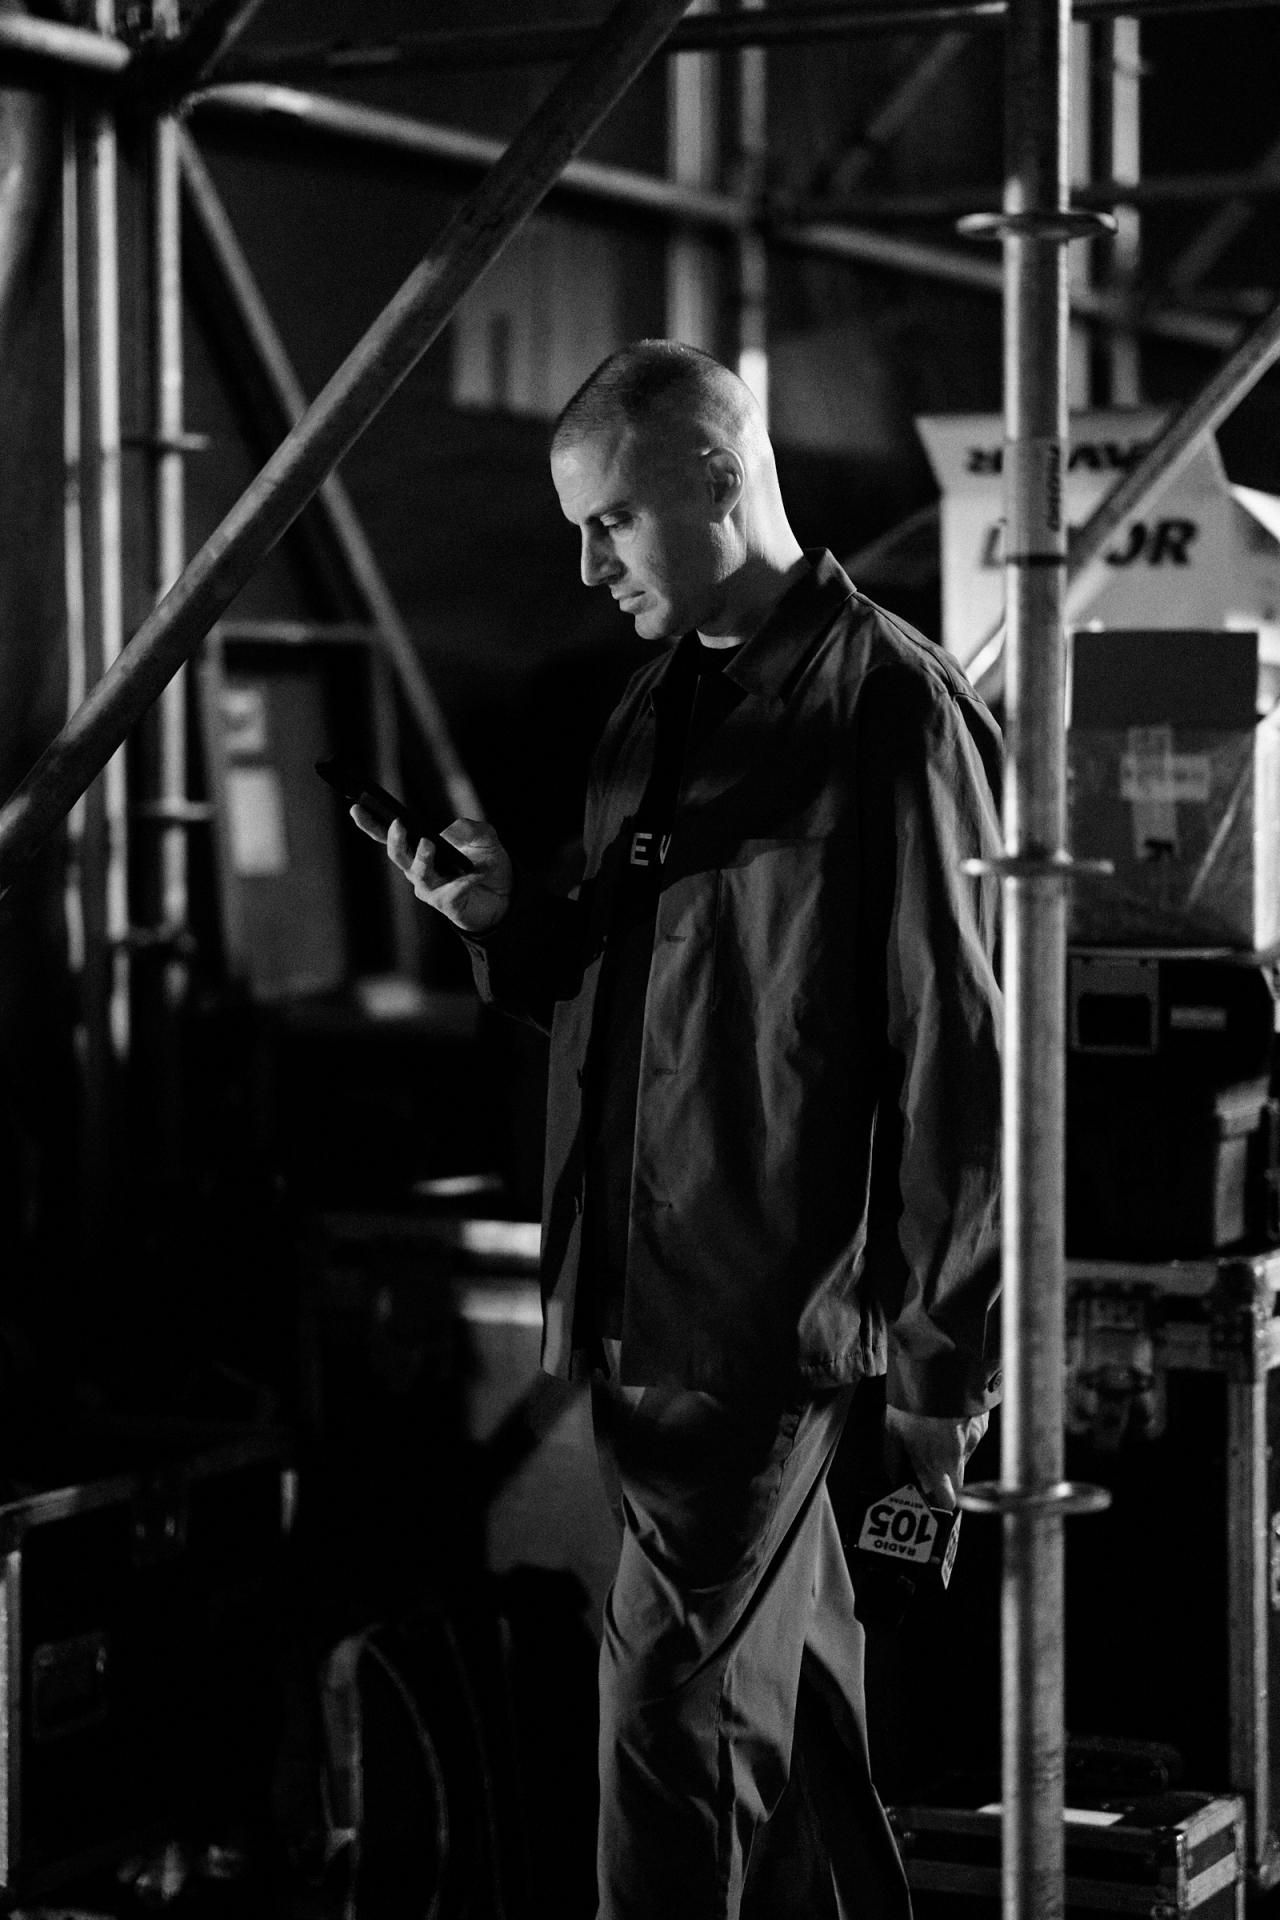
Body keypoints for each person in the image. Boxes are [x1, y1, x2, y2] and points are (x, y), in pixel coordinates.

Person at [356, 340, 1002, 1920]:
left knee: (668, 1726)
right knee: (786, 1714)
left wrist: (948, 1367)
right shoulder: (655, 706)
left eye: (613, 523)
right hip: (638, 1302)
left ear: (717, 478)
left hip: (756, 1318)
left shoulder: (892, 709)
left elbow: (963, 1059)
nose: (590, 569)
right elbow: (631, 998)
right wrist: (507, 926)